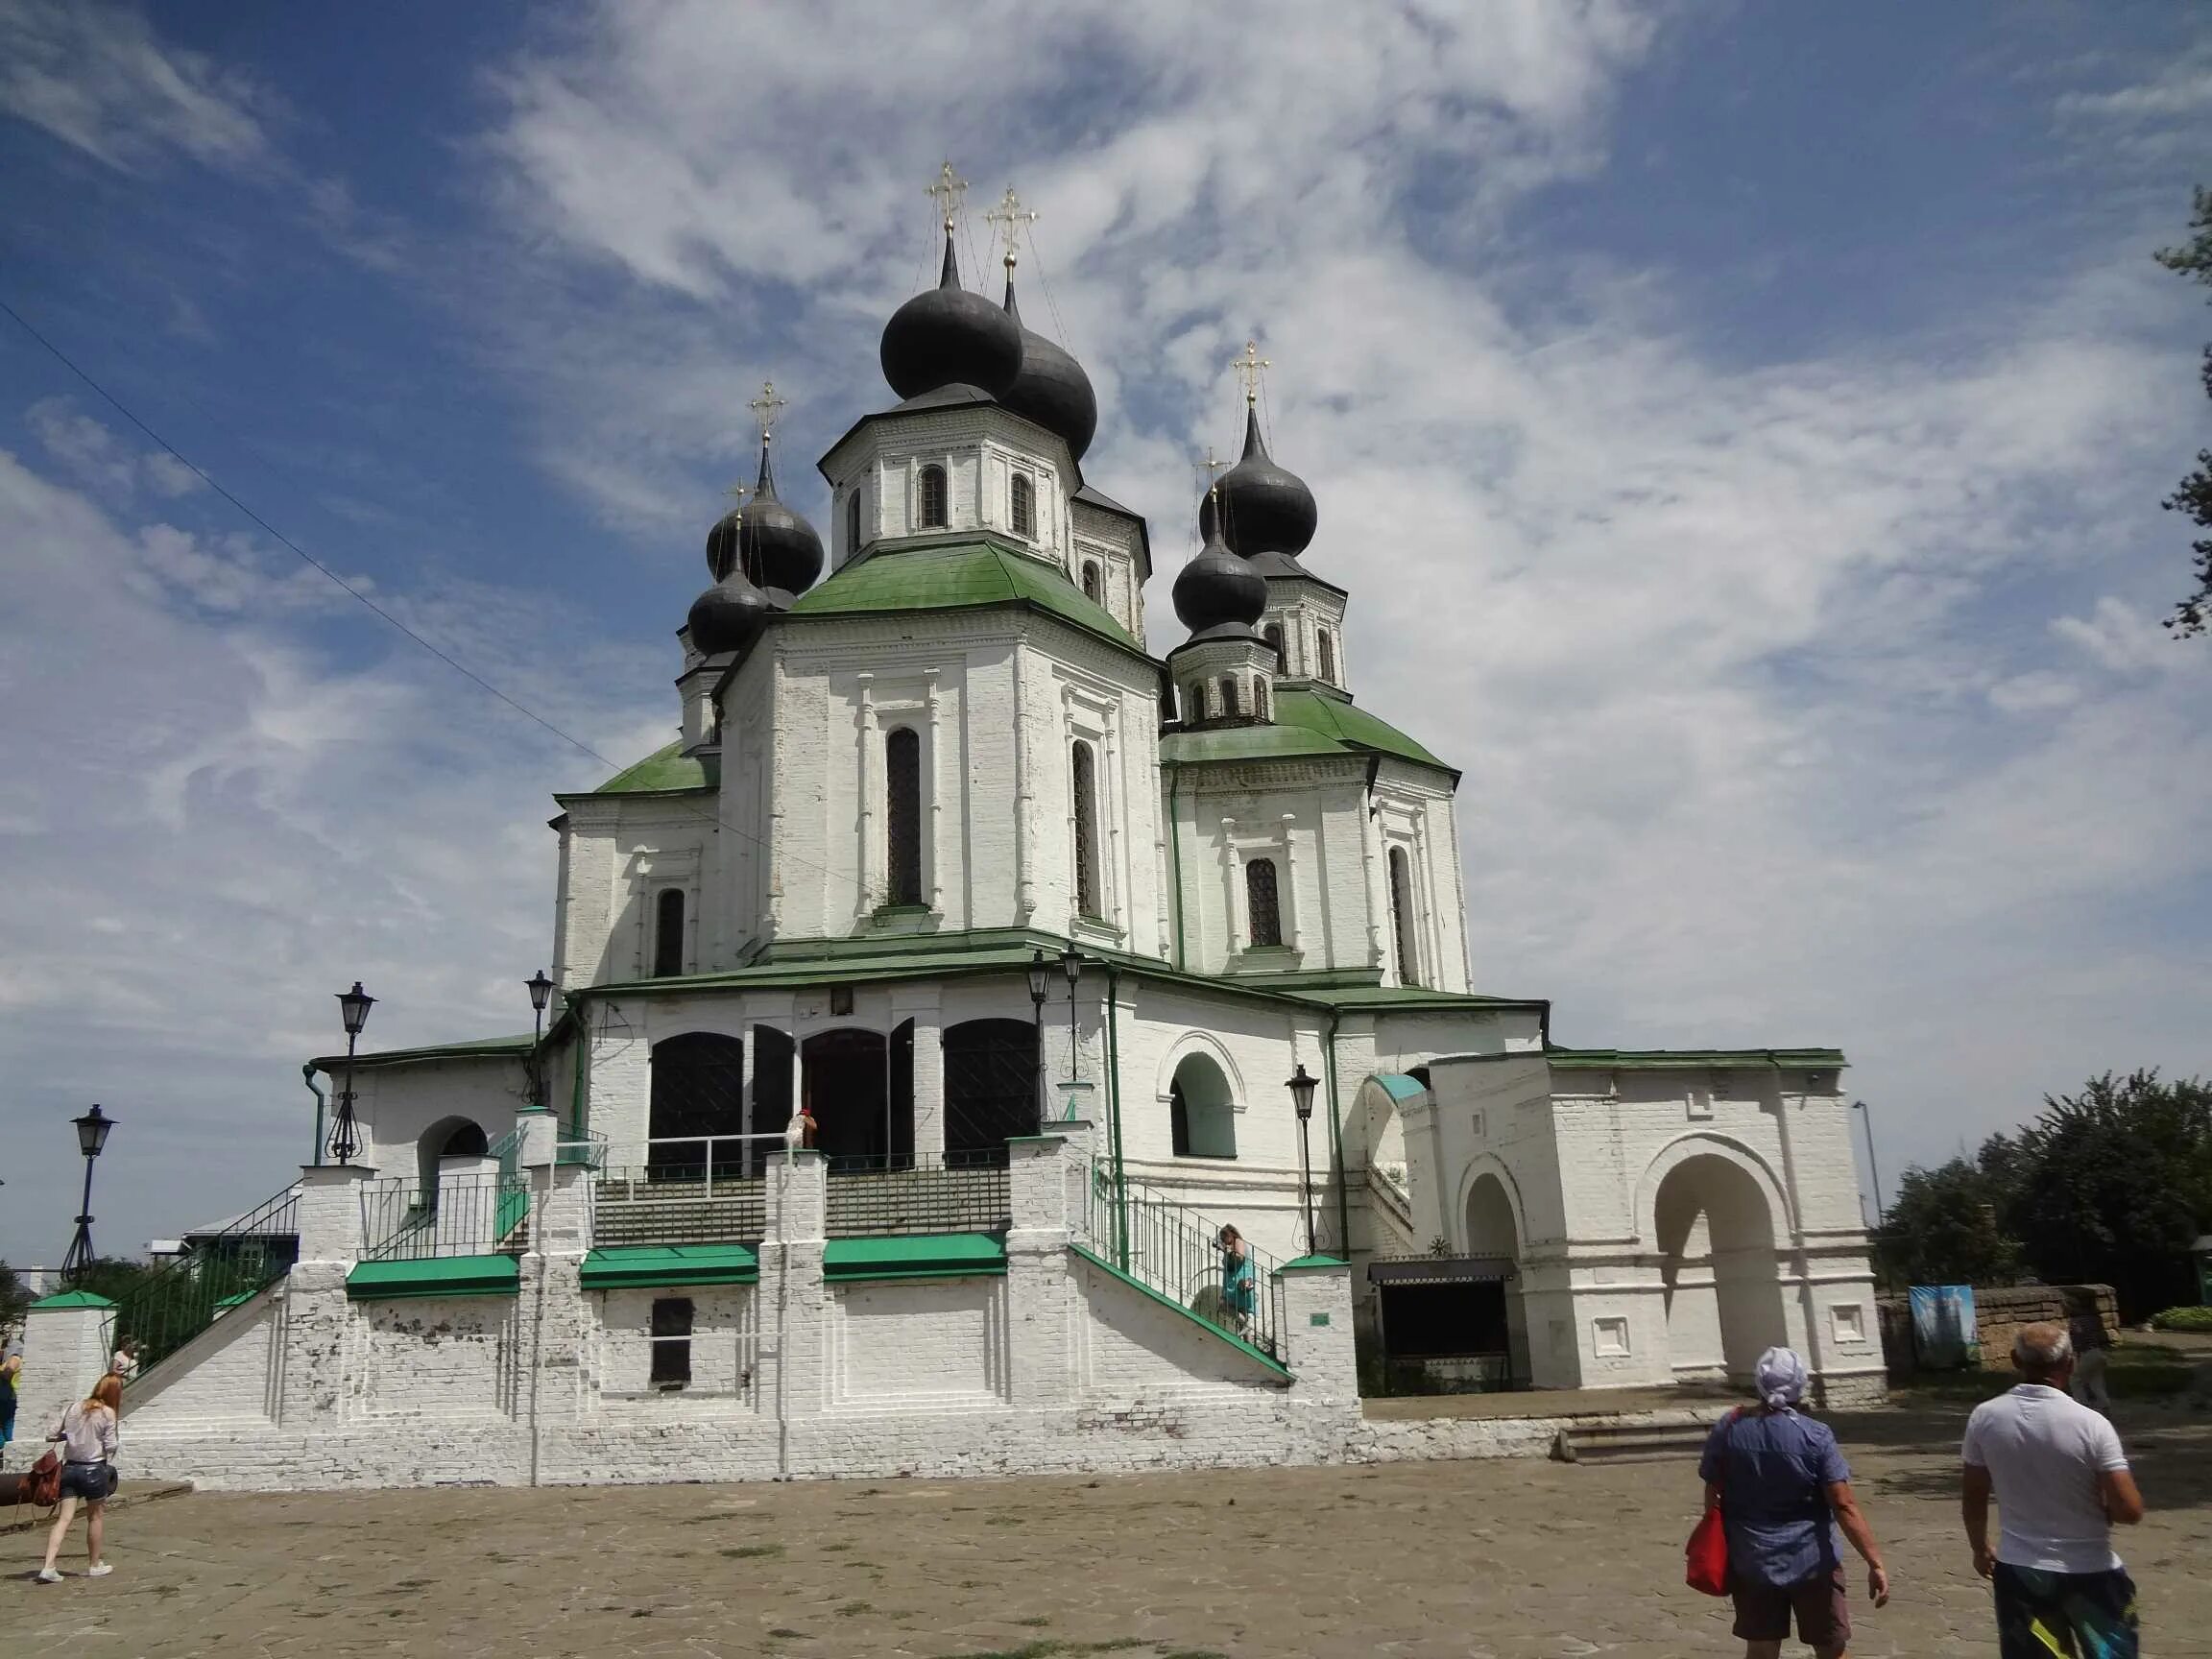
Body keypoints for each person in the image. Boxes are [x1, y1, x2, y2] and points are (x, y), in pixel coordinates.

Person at [1962, 1322, 2144, 1659]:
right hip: (2092, 1571)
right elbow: (2129, 1508)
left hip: (2021, 1570)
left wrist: (1979, 1547)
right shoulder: (2091, 1424)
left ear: (2015, 1360)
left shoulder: (1984, 1418)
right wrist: (2104, 1510)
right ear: (2071, 1363)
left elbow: (1973, 1495)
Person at [1698, 1346, 1889, 1659]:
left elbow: (1712, 1489)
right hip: (1813, 1562)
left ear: (1759, 1384)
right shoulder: (1816, 1435)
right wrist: (1875, 1562)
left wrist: (1722, 1536)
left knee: (1760, 1650)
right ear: (1800, 1386)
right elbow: (1843, 1504)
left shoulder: (1729, 1428)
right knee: (1831, 1648)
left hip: (1752, 1558)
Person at [36, 1372, 122, 1584]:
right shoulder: (108, 1412)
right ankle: (94, 1565)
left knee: (64, 1519)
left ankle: (48, 1566)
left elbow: (51, 1434)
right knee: (95, 1518)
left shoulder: (73, 1407)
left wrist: (71, 1436)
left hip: (70, 1469)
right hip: (93, 1470)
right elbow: (111, 1446)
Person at [1217, 1225, 1254, 1334]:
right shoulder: (1230, 1246)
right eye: (1221, 1238)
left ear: (1231, 1234)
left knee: (1223, 1305)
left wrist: (1229, 1252)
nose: (1223, 1239)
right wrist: (1224, 1250)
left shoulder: (1238, 1241)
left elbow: (1240, 1257)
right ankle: (1248, 1343)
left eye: (1224, 1237)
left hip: (1239, 1279)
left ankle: (1246, 1323)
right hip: (1232, 1280)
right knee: (1240, 1310)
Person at [0, 1351, 19, 1462]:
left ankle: (6, 1450)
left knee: (7, 1425)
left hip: (6, 1399)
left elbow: (7, 1374)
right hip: (8, 1398)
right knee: (7, 1426)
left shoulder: (15, 1359)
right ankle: (8, 1452)